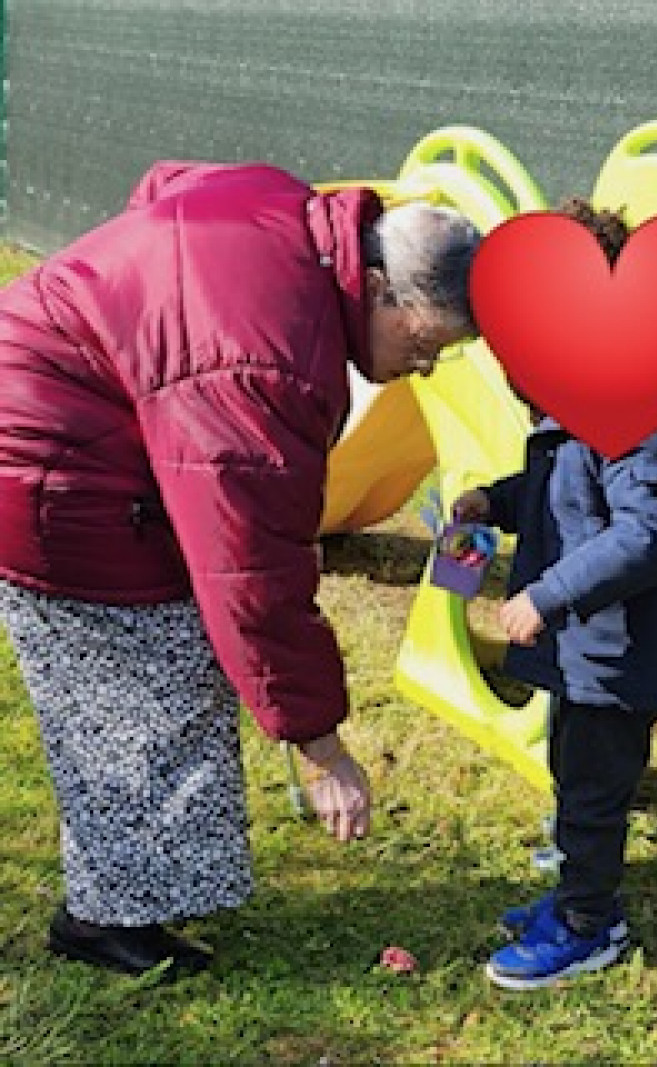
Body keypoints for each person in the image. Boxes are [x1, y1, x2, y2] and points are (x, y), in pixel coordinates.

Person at [0, 160, 481, 977]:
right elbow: (252, 573)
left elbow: (162, 185)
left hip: (57, 410)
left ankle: (140, 888)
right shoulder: (267, 359)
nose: (425, 366)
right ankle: (106, 922)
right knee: (140, 686)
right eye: (426, 343)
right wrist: (323, 746)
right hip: (45, 466)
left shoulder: (286, 206)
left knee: (169, 668)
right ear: (375, 287)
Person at [453, 197, 657, 990]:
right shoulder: (601, 392)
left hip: (622, 643)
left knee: (593, 783)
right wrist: (500, 499)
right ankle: (576, 884)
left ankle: (590, 922)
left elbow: (648, 532)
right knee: (575, 765)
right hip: (591, 642)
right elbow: (568, 482)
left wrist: (549, 595)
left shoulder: (649, 415)